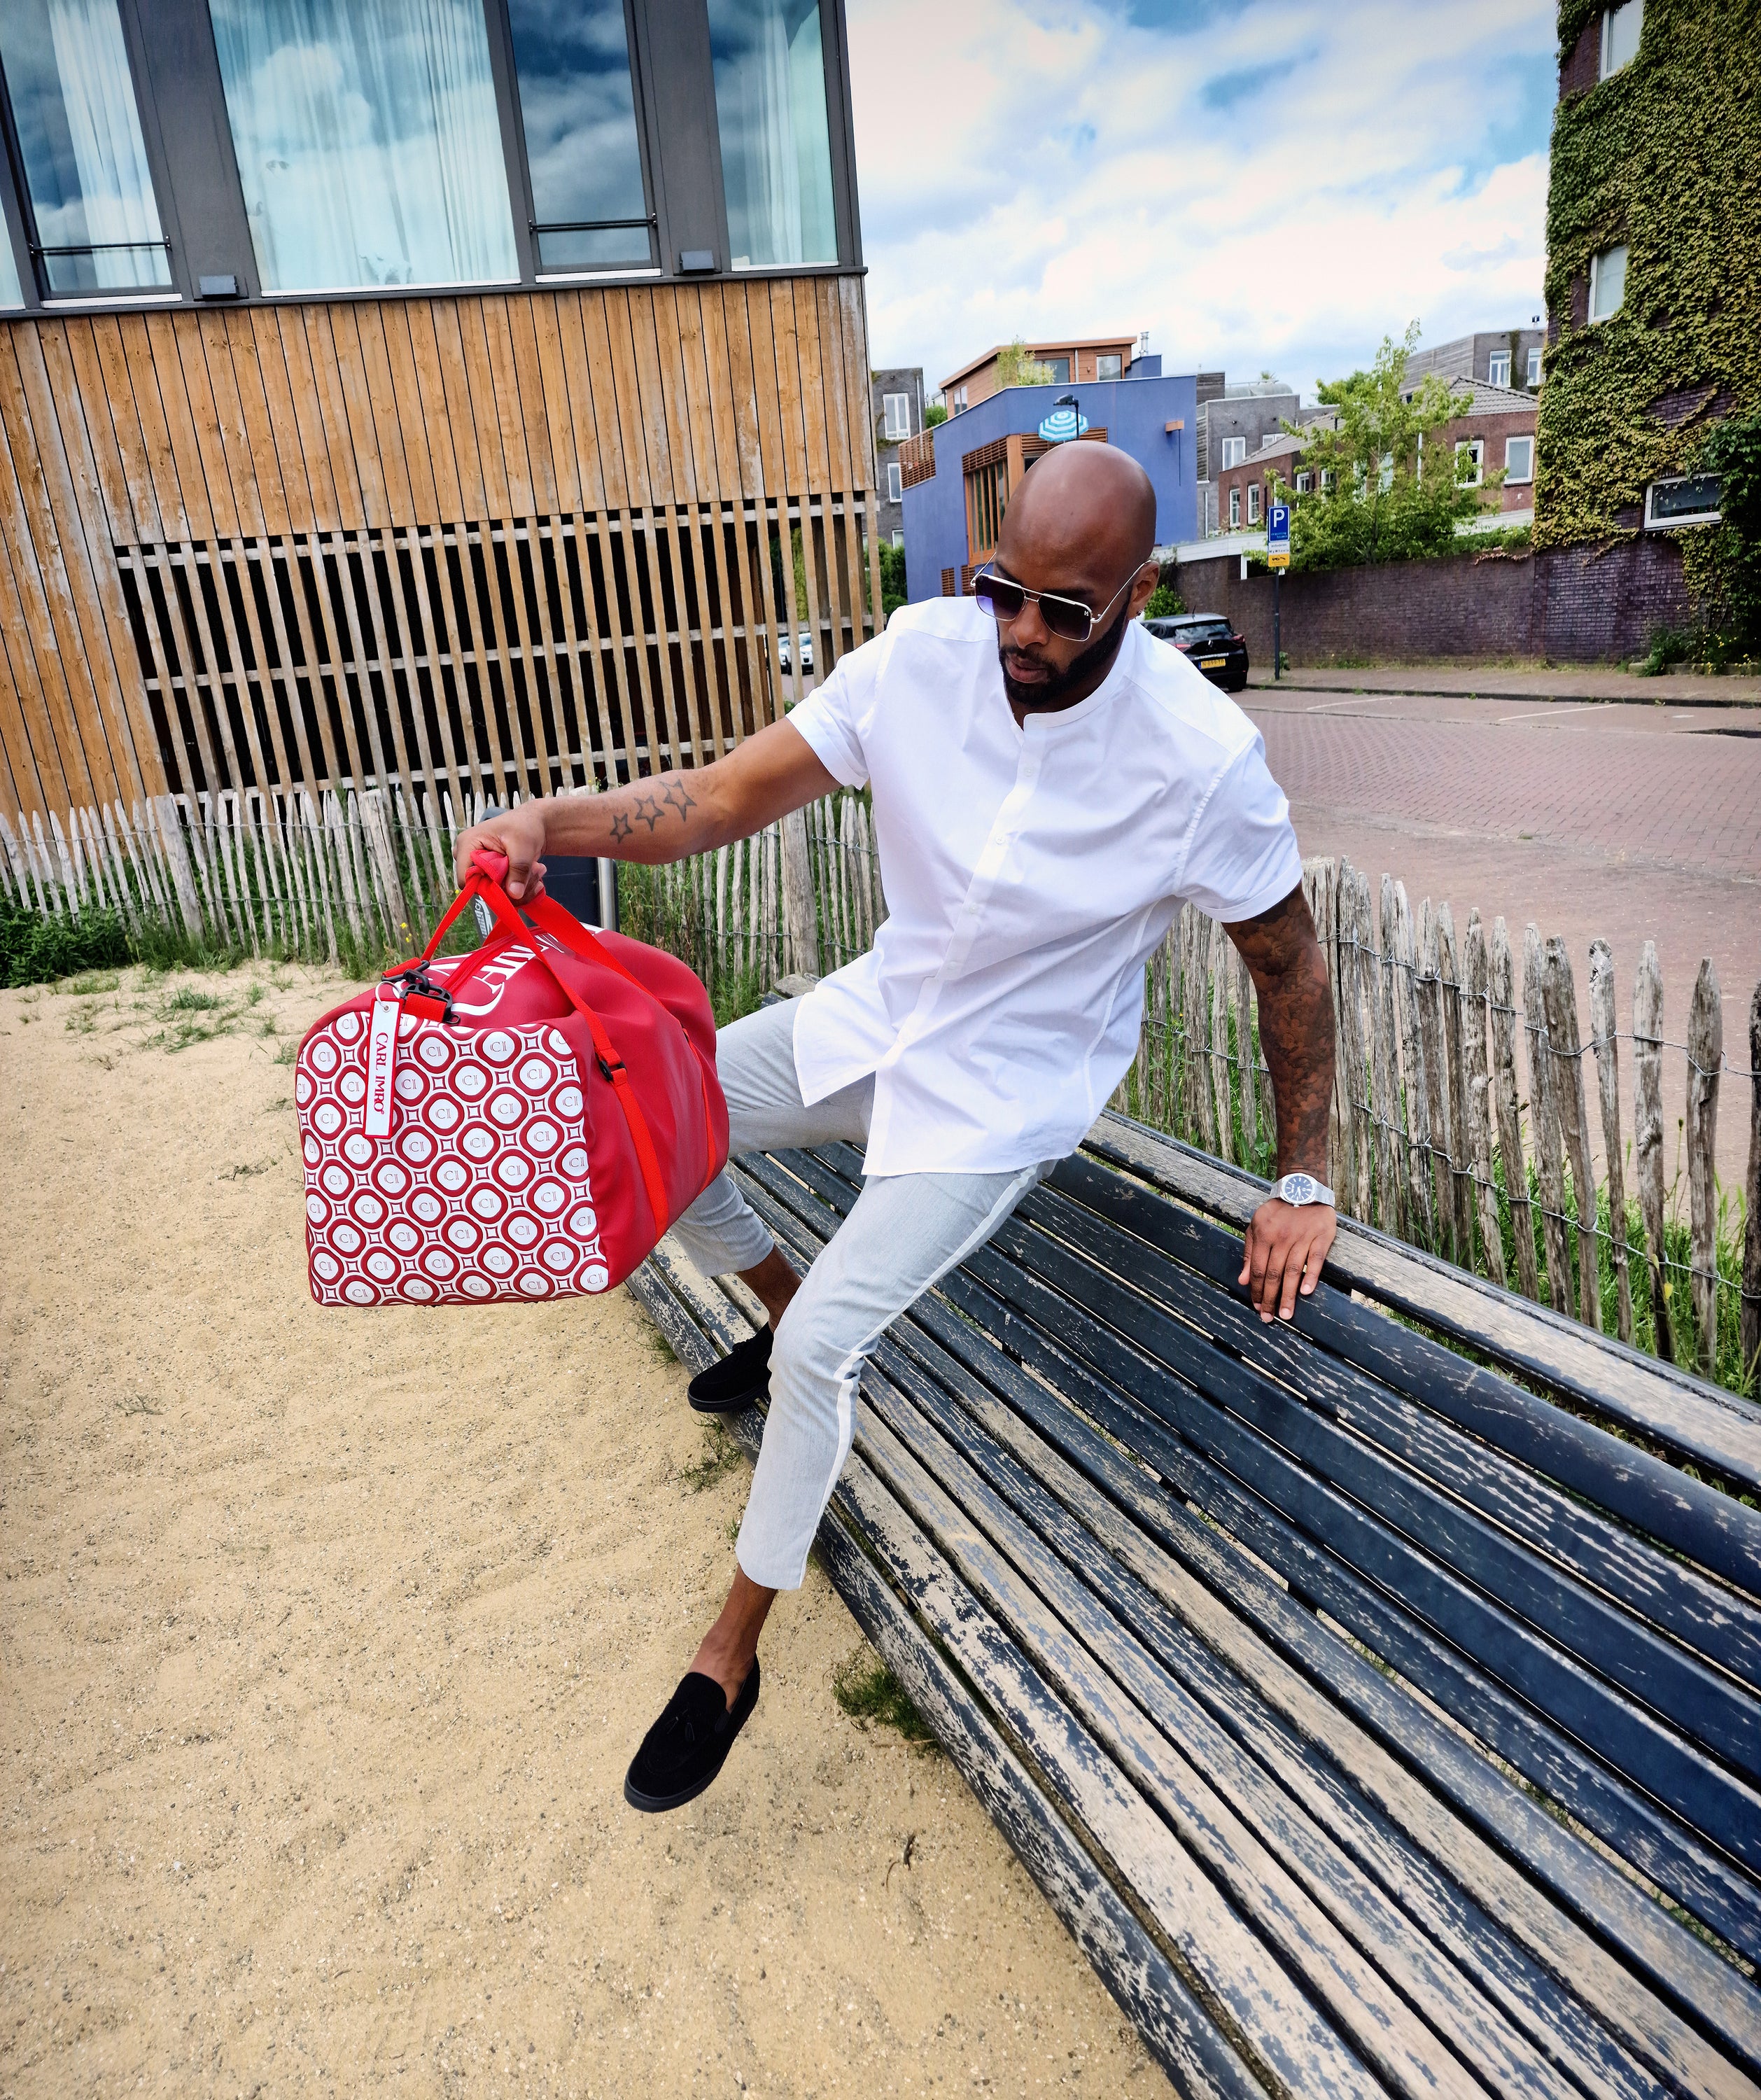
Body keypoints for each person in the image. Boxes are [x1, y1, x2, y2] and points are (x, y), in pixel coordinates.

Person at [453, 442, 1337, 1814]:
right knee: (650, 1104)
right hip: (883, 1015)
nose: (1023, 634)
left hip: (1003, 1094)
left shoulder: (1202, 760)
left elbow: (1287, 963)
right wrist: (549, 820)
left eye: (1066, 612)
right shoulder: (920, 659)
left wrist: (1300, 1176)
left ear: (1140, 593)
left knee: (823, 1352)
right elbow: (722, 801)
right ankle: (777, 1292)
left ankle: (730, 1653)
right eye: (1004, 592)